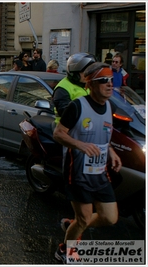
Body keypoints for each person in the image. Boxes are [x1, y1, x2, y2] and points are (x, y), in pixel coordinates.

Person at [53, 62, 121, 263]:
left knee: (110, 218)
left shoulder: (110, 106)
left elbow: (102, 135)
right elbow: (58, 134)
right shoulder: (77, 106)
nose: (109, 84)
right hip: (78, 172)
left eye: (110, 80)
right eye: (103, 81)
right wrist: (80, 145)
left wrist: (111, 151)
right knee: (83, 217)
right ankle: (65, 250)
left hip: (100, 172)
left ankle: (74, 225)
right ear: (90, 84)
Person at [51, 53, 96, 124]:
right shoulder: (62, 88)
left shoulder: (87, 85)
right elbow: (65, 112)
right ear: (75, 73)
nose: (88, 75)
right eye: (85, 72)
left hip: (86, 126)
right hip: (66, 129)